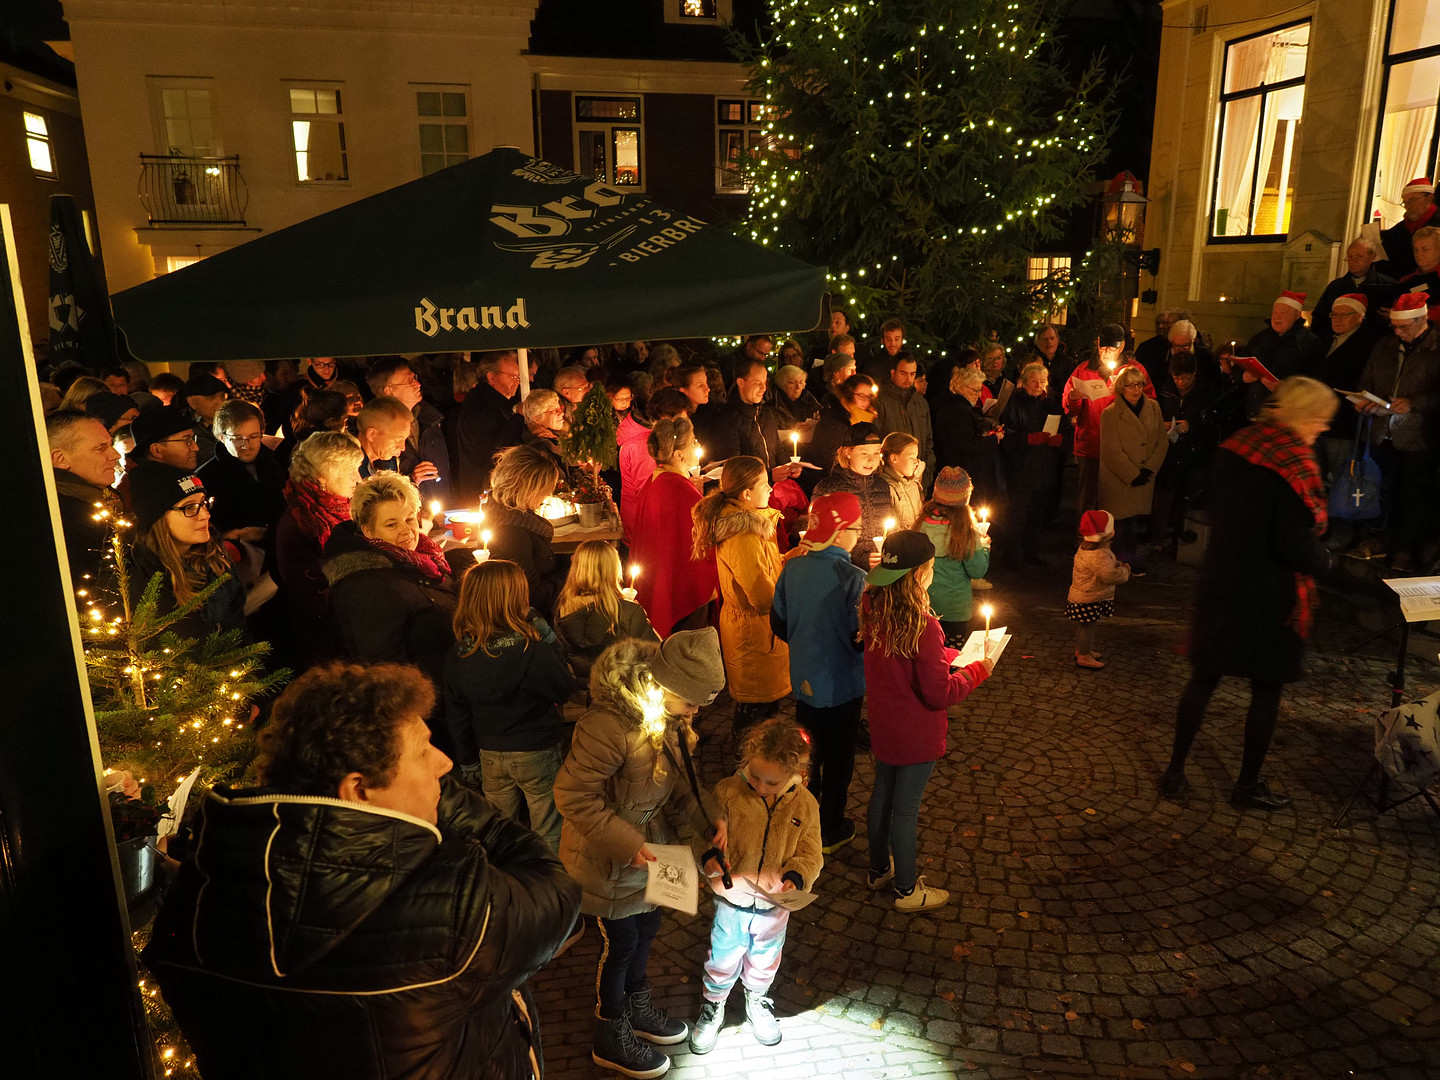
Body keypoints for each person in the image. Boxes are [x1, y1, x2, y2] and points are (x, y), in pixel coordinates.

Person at [143, 661, 581, 1080]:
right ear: (358, 789)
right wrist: (449, 804)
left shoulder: (198, 894)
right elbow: (554, 889)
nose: (444, 764)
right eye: (422, 751)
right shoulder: (452, 901)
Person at [553, 630, 729, 1080]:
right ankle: (610, 1032)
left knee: (649, 925)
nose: (695, 712)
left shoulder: (668, 718)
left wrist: (709, 817)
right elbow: (573, 796)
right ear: (665, 685)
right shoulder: (607, 727)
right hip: (609, 857)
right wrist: (629, 847)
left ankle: (637, 1005)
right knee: (622, 942)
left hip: (646, 851)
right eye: (691, 701)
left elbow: (676, 787)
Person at [1160, 377, 1338, 812]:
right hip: (1271, 594)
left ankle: (1175, 771)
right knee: (1267, 689)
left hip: (1222, 581)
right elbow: (1292, 541)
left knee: (1203, 678)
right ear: (1302, 415)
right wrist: (1328, 562)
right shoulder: (1294, 462)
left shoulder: (1237, 446)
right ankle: (1246, 786)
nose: (1323, 429)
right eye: (1320, 419)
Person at [861, 530, 991, 911]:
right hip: (916, 733)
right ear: (920, 574)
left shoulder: (872, 605)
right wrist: (977, 670)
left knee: (881, 797)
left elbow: (909, 660)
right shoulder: (923, 624)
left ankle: (878, 870)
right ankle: (906, 889)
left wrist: (948, 653)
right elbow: (940, 694)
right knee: (905, 810)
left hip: (884, 724)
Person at [687, 716, 823, 1055]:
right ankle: (714, 1002)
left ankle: (757, 997)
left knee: (765, 956)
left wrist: (795, 876)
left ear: (795, 772)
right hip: (731, 897)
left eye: (771, 783)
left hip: (774, 904)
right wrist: (710, 857)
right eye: (756, 776)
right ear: (746, 758)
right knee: (723, 953)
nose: (761, 786)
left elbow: (810, 852)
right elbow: (703, 836)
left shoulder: (805, 805)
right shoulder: (728, 793)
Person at [443, 558, 576, 853]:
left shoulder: (459, 654)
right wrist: (551, 642)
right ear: (516, 597)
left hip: (490, 754)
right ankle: (548, 883)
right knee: (548, 826)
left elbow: (456, 712)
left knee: (500, 827)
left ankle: (508, 878)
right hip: (536, 750)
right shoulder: (531, 648)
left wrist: (468, 761)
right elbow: (564, 687)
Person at [771, 492, 865, 854]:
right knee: (840, 757)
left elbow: (779, 622)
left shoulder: (792, 567)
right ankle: (830, 828)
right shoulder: (853, 577)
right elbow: (861, 639)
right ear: (840, 532)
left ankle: (801, 820)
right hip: (842, 684)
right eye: (855, 528)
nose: (858, 535)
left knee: (808, 754)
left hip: (804, 680)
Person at [323, 472, 459, 699]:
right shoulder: (367, 586)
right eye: (391, 524)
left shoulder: (422, 559)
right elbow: (385, 672)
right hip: (429, 704)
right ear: (367, 530)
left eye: (409, 519)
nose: (406, 531)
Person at [690, 456, 791, 741]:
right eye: (765, 484)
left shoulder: (750, 526)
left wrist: (789, 558)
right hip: (754, 634)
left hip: (758, 632)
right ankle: (745, 764)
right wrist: (790, 591)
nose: (771, 489)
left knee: (761, 707)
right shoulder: (743, 534)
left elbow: (763, 568)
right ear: (747, 494)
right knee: (755, 710)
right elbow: (761, 595)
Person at [1352, 291, 1440, 572]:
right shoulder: (1385, 346)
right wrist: (1365, 400)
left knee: (1412, 494)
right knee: (1380, 489)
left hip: (1418, 435)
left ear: (1423, 320)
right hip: (1380, 430)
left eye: (1405, 327)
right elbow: (1367, 379)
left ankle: (1404, 549)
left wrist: (1414, 403)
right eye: (1395, 327)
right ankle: (1378, 540)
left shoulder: (1436, 348)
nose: (1399, 332)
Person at [272, 431, 363, 667]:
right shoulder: (300, 521)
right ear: (324, 477)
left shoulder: (344, 508)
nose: (359, 479)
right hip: (324, 642)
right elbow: (311, 593)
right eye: (350, 471)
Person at [125, 465, 245, 639]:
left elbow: (239, 629)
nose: (205, 515)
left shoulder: (215, 557)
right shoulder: (141, 576)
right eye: (189, 507)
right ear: (158, 517)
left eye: (204, 503)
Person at [632, 418, 719, 637]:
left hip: (663, 581)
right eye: (693, 442)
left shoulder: (655, 481)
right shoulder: (679, 489)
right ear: (679, 455)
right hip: (684, 589)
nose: (697, 446)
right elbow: (702, 539)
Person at [554, 540, 660, 683]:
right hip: (624, 692)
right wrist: (632, 610)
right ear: (613, 570)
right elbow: (655, 656)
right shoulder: (628, 613)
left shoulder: (562, 612)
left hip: (591, 689)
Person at [484, 442, 568, 617]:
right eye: (543, 490)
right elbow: (531, 595)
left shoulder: (515, 516)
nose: (546, 496)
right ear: (526, 488)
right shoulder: (511, 533)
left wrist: (570, 561)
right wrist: (571, 575)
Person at [1098, 364, 1168, 570]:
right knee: (1121, 523)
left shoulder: (1153, 408)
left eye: (1139, 385)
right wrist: (1132, 474)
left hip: (1144, 474)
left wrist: (1149, 469)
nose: (1136, 390)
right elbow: (1111, 450)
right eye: (1130, 385)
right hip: (1119, 478)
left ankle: (1129, 561)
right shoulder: (1110, 414)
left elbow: (1161, 442)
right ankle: (1122, 562)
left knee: (1134, 521)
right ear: (1121, 388)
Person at [47, 409, 124, 583]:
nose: (115, 455)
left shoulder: (102, 500)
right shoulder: (67, 517)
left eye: (110, 444)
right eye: (100, 448)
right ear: (60, 459)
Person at [1000, 361, 1064, 566]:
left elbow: (1064, 431)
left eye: (1042, 381)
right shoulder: (1015, 403)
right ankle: (1012, 556)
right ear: (1024, 383)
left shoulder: (1052, 404)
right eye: (1034, 381)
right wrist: (1027, 439)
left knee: (1036, 515)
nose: (1038, 385)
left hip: (1044, 470)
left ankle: (1031, 552)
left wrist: (1060, 441)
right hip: (1021, 470)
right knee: (1017, 516)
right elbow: (1006, 434)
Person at [919, 467, 991, 647]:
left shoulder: (921, 524)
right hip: (955, 609)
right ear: (965, 497)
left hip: (924, 604)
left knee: (928, 655)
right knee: (951, 658)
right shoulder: (965, 532)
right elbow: (977, 570)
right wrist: (984, 546)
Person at [198, 399, 287, 541]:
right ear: (221, 437)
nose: (247, 446)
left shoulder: (272, 466)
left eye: (253, 436)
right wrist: (232, 535)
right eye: (238, 438)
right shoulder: (206, 477)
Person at [1065, 323, 1126, 522]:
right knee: (1087, 498)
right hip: (1089, 445)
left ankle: (1110, 542)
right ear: (1098, 344)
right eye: (1103, 347)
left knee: (1114, 499)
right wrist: (1073, 398)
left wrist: (1123, 393)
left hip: (1120, 447)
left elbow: (1147, 403)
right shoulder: (1082, 370)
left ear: (1122, 347)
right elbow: (1068, 406)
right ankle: (1085, 541)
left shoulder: (1132, 370)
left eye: (1112, 349)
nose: (1107, 353)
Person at [812, 423, 894, 570]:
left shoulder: (882, 486)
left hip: (881, 570)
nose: (871, 460)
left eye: (876, 453)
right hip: (842, 571)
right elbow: (820, 537)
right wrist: (860, 558)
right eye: (864, 453)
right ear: (848, 452)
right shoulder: (828, 488)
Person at [367, 355, 448, 503]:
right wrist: (411, 481)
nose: (417, 384)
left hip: (438, 508)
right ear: (389, 391)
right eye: (409, 381)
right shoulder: (379, 434)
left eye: (415, 377)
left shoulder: (430, 419)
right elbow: (380, 491)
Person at [619, 387, 689, 544]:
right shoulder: (644, 445)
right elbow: (649, 490)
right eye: (681, 420)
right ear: (666, 418)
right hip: (644, 529)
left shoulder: (656, 440)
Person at [456, 350, 525, 500]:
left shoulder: (499, 403)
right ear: (492, 377)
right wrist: (518, 418)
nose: (517, 382)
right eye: (513, 377)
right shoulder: (480, 405)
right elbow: (493, 449)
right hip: (483, 490)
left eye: (519, 377)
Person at [1067, 510, 1131, 670]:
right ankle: (1084, 656)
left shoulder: (1088, 549)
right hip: (1090, 598)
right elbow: (1108, 576)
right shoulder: (1098, 554)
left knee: (1084, 625)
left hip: (1084, 595)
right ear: (1106, 533)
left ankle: (1081, 650)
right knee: (1089, 627)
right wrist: (1124, 572)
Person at [933, 364, 1002, 506]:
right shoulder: (957, 410)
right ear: (959, 387)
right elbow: (968, 444)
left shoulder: (958, 407)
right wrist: (995, 439)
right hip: (961, 473)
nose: (978, 394)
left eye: (980, 389)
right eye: (975, 390)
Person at [873, 351, 935, 477]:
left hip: (919, 476)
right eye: (903, 373)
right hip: (890, 476)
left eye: (912, 374)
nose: (908, 379)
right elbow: (875, 439)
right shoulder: (879, 401)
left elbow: (928, 440)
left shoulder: (921, 403)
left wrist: (928, 470)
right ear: (893, 372)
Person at [1312, 237, 1394, 331]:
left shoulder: (1387, 285)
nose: (1353, 261)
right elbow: (1320, 318)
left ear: (1372, 258)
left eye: (1359, 256)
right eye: (1350, 256)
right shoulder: (1335, 287)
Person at [1244, 291, 1319, 384]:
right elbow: (1242, 360)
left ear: (1297, 315)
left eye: (1283, 313)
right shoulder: (1261, 337)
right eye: (1275, 312)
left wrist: (1286, 386)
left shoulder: (1309, 342)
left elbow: (1313, 380)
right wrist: (1244, 374)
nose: (1277, 317)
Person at [1380, 176, 1438, 278]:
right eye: (1405, 202)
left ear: (1429, 199)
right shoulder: (1405, 225)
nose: (1407, 206)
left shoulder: (1437, 222)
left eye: (1412, 200)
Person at [878, 431, 924, 529]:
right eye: (912, 458)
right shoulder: (885, 488)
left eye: (916, 457)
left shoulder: (914, 484)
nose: (916, 462)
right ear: (894, 458)